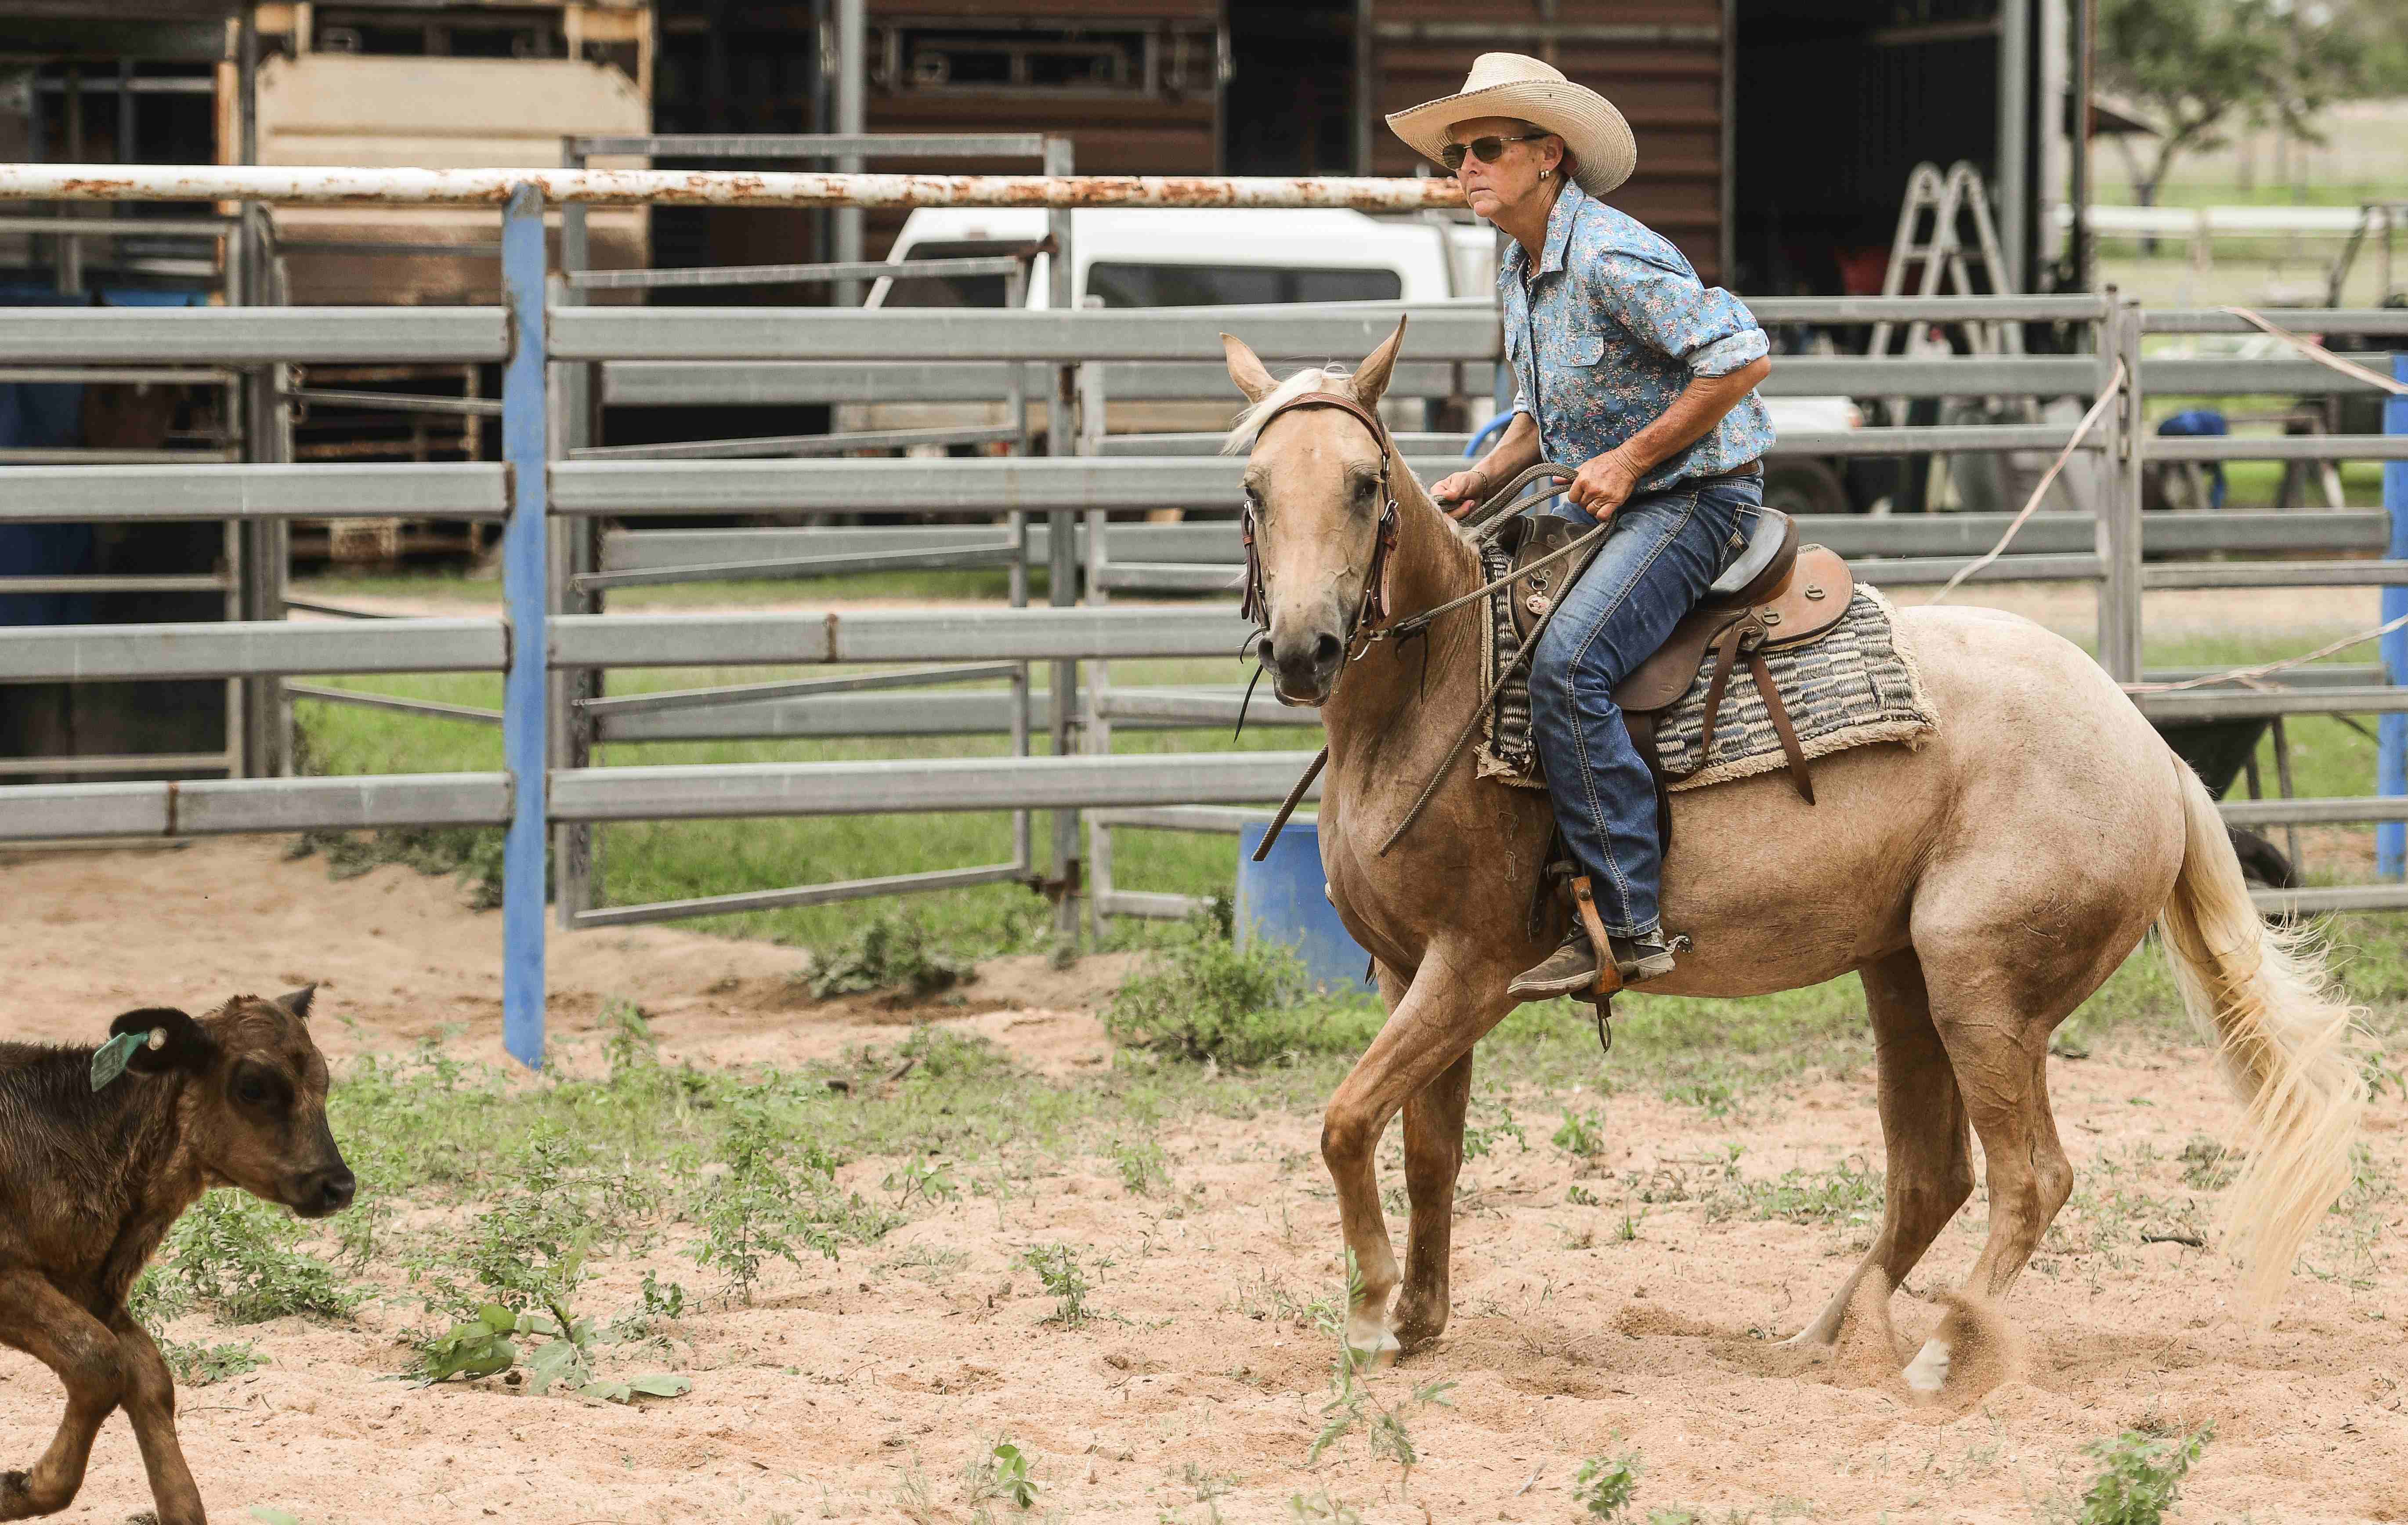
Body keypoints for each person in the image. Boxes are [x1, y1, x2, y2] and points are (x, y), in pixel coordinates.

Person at [1386, 53, 1775, 1000]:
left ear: (1546, 154)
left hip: (1691, 497)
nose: (1465, 168)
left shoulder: (1606, 256)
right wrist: (1486, 473)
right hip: (1604, 496)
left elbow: (1739, 358)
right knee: (1482, 633)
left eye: (1484, 148)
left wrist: (1631, 460)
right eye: (1455, 154)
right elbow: (1544, 410)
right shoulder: (1517, 265)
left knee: (1567, 665)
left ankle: (1628, 921)